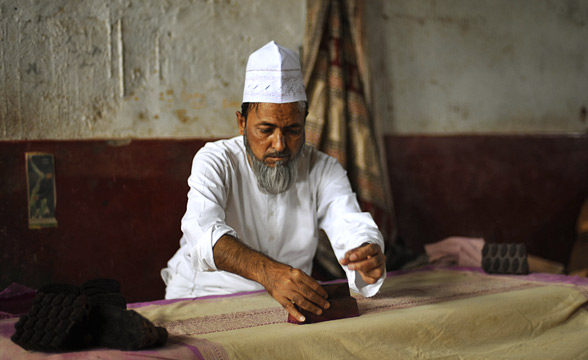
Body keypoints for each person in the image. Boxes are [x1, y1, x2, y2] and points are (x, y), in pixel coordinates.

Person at [161, 41, 386, 322]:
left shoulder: (322, 168)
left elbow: (349, 222)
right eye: (266, 130)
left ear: (305, 122)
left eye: (293, 130)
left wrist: (364, 253)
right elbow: (202, 232)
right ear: (242, 123)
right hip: (204, 297)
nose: (279, 144)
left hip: (284, 304)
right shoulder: (215, 160)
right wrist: (268, 273)